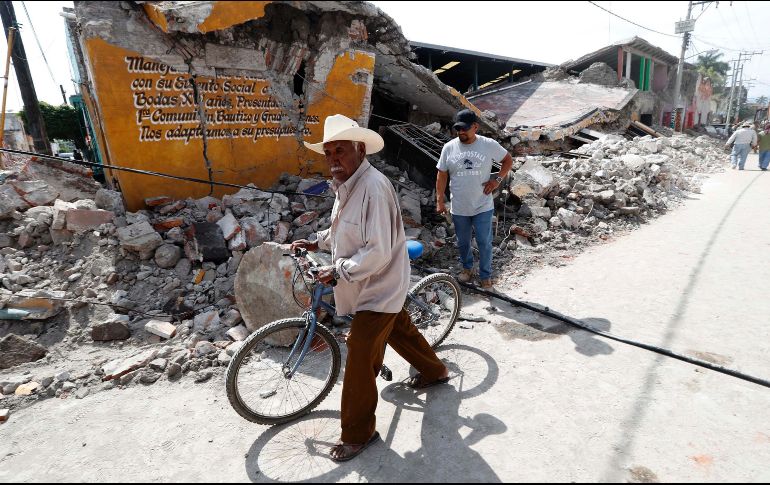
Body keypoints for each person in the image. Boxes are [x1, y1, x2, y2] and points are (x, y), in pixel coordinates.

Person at [292, 114, 449, 462]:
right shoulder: (347, 184)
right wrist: (317, 243)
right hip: (367, 284)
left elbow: (376, 251)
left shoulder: (373, 188)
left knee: (361, 351)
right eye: (328, 151)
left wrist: (339, 271)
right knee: (400, 329)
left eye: (340, 151)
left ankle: (358, 433)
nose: (333, 158)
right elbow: (341, 230)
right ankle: (436, 371)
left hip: (380, 283)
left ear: (360, 149)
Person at [436, 109, 513, 289]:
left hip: (482, 205)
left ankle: (486, 275)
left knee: (484, 241)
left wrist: (497, 180)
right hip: (459, 206)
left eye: (465, 129)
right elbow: (441, 175)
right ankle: (467, 269)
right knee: (462, 242)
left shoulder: (488, 144)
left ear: (475, 127)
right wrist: (440, 200)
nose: (461, 132)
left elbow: (508, 160)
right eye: (458, 129)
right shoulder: (449, 148)